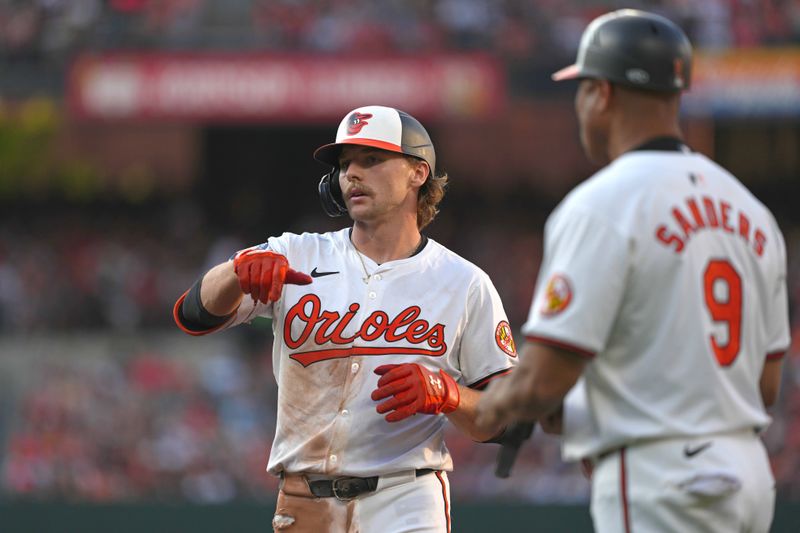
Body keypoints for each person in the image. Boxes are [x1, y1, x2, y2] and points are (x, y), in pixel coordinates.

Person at [476, 9, 789, 533]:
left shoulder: (602, 203)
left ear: (601, 93)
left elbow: (541, 379)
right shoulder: (751, 211)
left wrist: (489, 411)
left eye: (581, 91)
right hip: (748, 477)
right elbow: (764, 384)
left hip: (658, 477)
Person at [173, 105, 518, 532]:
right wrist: (237, 271)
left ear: (418, 172)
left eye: (371, 160)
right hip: (305, 500)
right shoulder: (295, 254)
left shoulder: (463, 282)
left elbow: (510, 419)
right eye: (345, 163)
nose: (352, 173)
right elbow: (193, 313)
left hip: (406, 499)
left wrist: (450, 396)